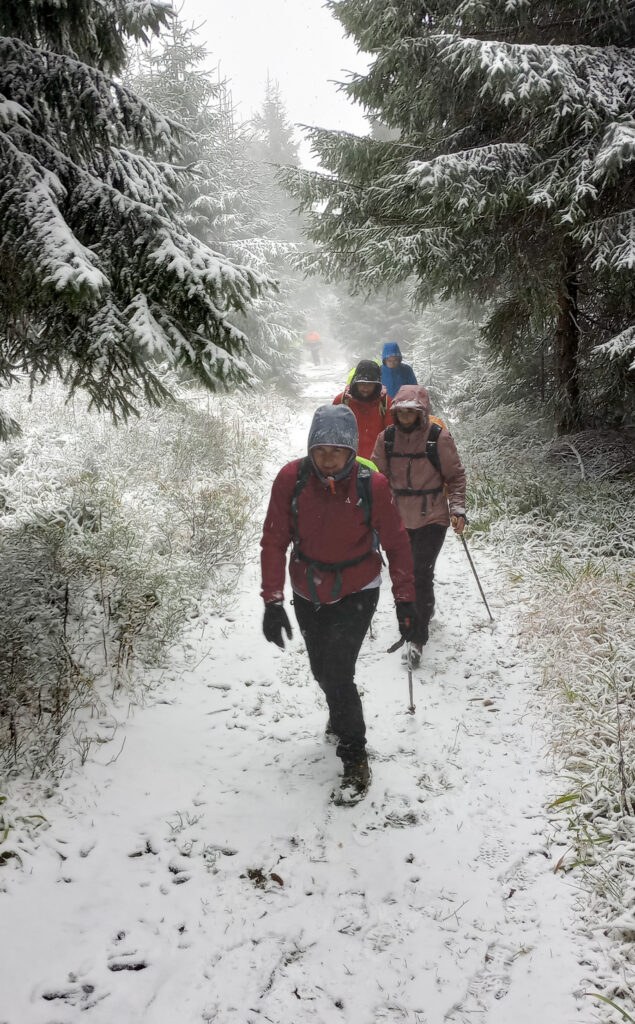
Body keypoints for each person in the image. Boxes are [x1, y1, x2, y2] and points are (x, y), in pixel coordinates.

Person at [260, 405, 416, 804]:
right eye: (321, 450)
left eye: (338, 451)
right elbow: (274, 540)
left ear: (351, 451)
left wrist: (405, 601)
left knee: (338, 671)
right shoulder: (291, 478)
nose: (328, 460)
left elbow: (397, 544)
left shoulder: (371, 485)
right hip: (307, 588)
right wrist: (273, 600)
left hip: (358, 589)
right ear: (310, 448)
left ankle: (354, 757)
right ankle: (338, 707)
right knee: (321, 670)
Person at [371, 385, 467, 667]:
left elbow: (455, 477)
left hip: (432, 517)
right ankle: (422, 613)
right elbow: (375, 479)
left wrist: (457, 509)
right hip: (397, 517)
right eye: (401, 412)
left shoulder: (438, 438)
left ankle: (416, 639)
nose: (405, 416)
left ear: (421, 412)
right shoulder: (386, 439)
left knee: (419, 574)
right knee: (405, 575)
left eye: (411, 412)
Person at [332, 360, 393, 461]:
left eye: (370, 384)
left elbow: (392, 437)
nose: (365, 388)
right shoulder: (342, 401)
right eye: (362, 383)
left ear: (377, 384)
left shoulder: (386, 403)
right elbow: (332, 432)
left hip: (376, 463)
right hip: (347, 461)